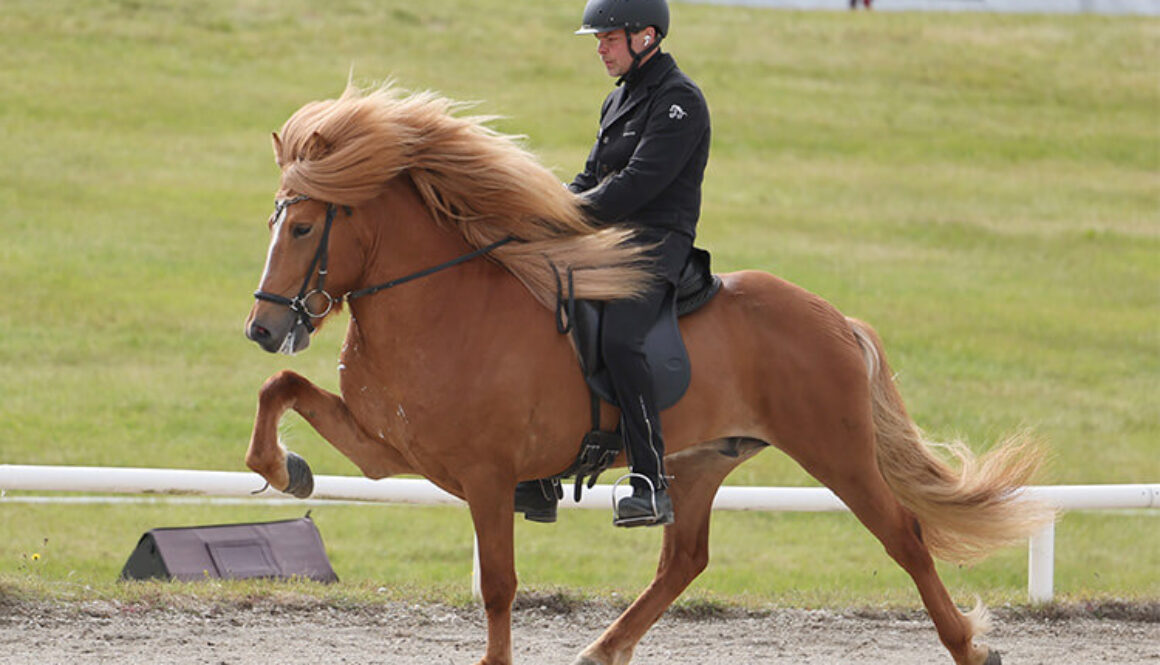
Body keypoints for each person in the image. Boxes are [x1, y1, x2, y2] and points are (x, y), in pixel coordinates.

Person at [515, 0, 711, 528]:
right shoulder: (617, 100)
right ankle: (539, 471)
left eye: (608, 38)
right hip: (607, 239)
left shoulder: (679, 102)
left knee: (623, 337)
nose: (600, 49)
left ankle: (650, 480)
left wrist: (570, 214)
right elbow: (590, 176)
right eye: (598, 40)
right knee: (535, 303)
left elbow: (636, 186)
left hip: (654, 243)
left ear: (645, 37)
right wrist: (539, 209)